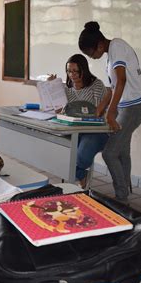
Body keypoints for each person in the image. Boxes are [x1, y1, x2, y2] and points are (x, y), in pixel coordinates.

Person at [78, 21, 141, 203]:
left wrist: (111, 112)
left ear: (100, 45)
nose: (92, 58)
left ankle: (121, 198)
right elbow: (112, 88)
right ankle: (125, 191)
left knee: (110, 153)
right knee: (123, 151)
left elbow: (122, 81)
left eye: (91, 53)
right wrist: (100, 109)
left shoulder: (117, 47)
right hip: (126, 106)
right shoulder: (111, 54)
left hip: (133, 107)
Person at [48, 54, 112, 188]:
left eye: (75, 71)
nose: (72, 75)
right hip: (74, 132)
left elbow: (97, 112)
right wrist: (53, 89)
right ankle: (81, 175)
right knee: (58, 151)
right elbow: (59, 112)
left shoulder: (96, 85)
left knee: (81, 157)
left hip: (94, 132)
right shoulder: (67, 90)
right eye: (69, 71)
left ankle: (77, 176)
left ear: (84, 70)